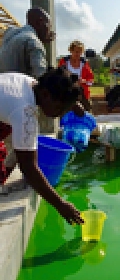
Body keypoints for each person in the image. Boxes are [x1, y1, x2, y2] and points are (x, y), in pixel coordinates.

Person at [0, 67, 84, 225]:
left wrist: (71, 103)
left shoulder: (28, 83)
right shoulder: (25, 112)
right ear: (46, 95)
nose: (59, 115)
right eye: (59, 108)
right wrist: (60, 204)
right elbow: (29, 168)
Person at [0, 7, 55, 77]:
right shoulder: (34, 42)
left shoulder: (9, 37)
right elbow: (41, 78)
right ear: (40, 22)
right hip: (19, 87)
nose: (49, 31)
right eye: (49, 26)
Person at [58, 40, 94, 111]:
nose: (78, 54)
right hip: (67, 94)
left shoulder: (85, 64)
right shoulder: (64, 62)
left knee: (87, 112)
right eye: (76, 52)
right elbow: (58, 77)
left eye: (80, 52)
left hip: (82, 94)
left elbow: (91, 81)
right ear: (71, 51)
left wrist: (84, 81)